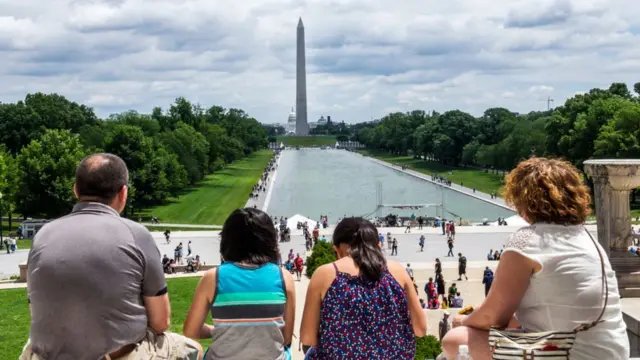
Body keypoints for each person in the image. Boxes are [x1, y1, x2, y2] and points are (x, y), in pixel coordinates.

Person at [442, 157, 630, 360]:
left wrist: (465, 320)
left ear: (524, 199)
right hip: (612, 351)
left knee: (455, 339)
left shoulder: (527, 240)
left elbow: (492, 316)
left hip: (571, 352)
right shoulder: (587, 238)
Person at [21, 153, 201, 360]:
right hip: (115, 355)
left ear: (76, 190)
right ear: (123, 193)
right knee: (193, 348)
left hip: (48, 354)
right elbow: (161, 322)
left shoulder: (43, 235)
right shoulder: (136, 234)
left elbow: (36, 309)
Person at [300, 217, 426, 359]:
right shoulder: (397, 271)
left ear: (337, 249)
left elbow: (307, 337)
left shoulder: (325, 274)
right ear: (378, 245)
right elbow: (420, 329)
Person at [183, 207, 296, 360]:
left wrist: (217, 330)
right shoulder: (284, 277)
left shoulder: (213, 277)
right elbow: (287, 337)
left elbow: (191, 331)